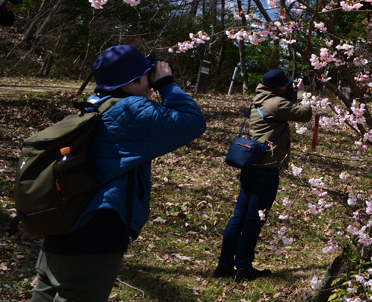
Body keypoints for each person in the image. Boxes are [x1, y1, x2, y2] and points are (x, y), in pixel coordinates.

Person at [31, 45, 206, 302]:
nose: (151, 85)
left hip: (61, 226)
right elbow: (192, 122)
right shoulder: (130, 109)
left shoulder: (94, 105)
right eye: (148, 76)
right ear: (130, 82)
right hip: (94, 235)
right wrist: (167, 83)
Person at [215, 68, 312, 281]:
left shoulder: (262, 99)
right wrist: (302, 92)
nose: (289, 86)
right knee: (253, 221)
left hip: (251, 166)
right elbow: (305, 114)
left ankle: (224, 266)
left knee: (238, 219)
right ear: (278, 87)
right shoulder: (276, 104)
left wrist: (291, 93)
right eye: (286, 84)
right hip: (266, 170)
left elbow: (284, 109)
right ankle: (243, 268)